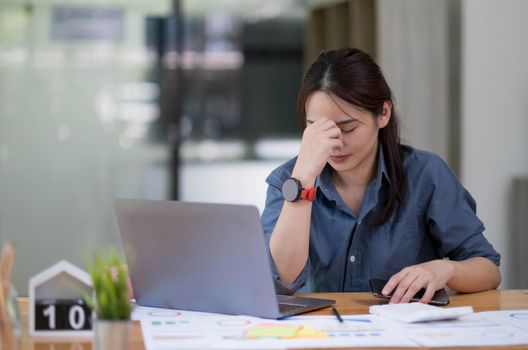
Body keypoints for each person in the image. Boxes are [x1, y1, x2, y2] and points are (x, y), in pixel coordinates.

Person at [261, 48, 501, 304]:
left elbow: (488, 270)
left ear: (383, 114)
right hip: (318, 334)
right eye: (316, 129)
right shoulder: (287, 180)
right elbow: (281, 280)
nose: (333, 143)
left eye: (347, 127)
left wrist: (446, 269)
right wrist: (303, 180)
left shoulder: (425, 174)